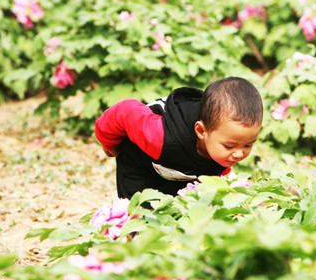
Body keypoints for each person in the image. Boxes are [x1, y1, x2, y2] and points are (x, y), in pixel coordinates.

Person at [95, 76, 263, 199]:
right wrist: (109, 144)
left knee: (182, 213)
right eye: (229, 146)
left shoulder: (222, 146)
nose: (239, 154)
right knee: (140, 217)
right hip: (141, 163)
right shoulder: (160, 137)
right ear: (201, 131)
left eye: (248, 145)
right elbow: (125, 111)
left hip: (180, 170)